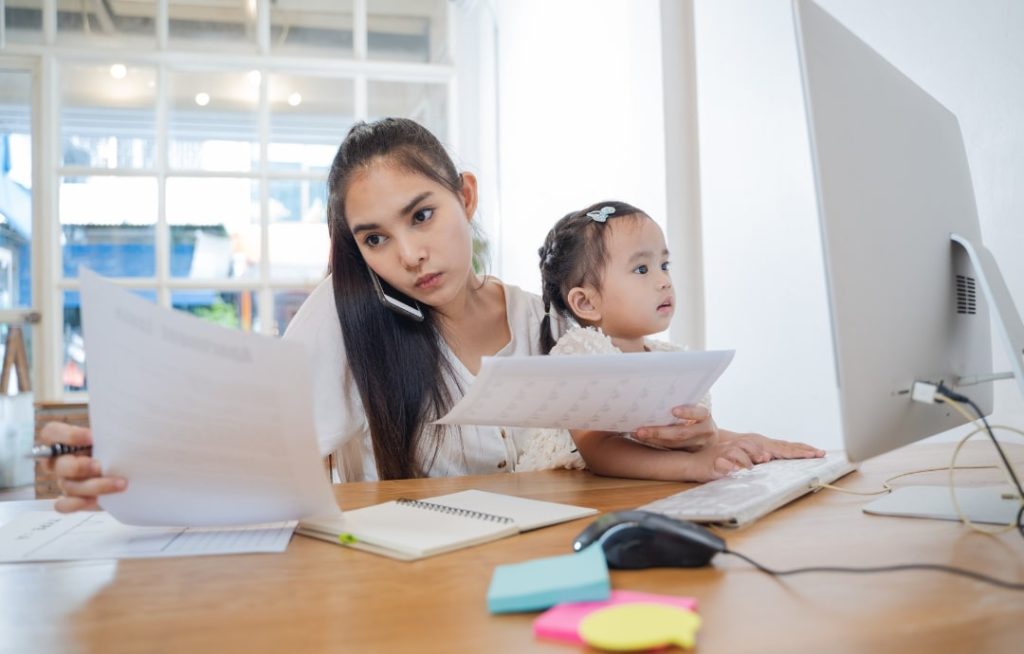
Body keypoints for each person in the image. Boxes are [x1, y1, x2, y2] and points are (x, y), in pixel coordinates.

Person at [41, 118, 782, 513]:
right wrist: (125, 456)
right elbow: (255, 435)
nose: (409, 254)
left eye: (422, 214)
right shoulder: (348, 318)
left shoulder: (551, 324)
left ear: (466, 194)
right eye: (375, 238)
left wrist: (695, 436)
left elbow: (612, 453)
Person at [516, 200, 823, 481]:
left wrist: (751, 442)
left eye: (664, 265)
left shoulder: (669, 356)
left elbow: (679, 436)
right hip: (567, 500)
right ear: (586, 303)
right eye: (641, 269)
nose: (663, 280)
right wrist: (695, 466)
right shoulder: (581, 353)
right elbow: (599, 449)